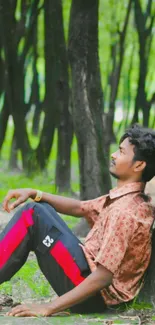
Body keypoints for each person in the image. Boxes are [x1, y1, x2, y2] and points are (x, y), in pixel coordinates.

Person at [1, 124, 155, 317]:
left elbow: (103, 277)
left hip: (94, 295)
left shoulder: (125, 212)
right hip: (88, 281)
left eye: (122, 152)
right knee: (39, 208)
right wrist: (34, 193)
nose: (114, 155)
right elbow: (80, 208)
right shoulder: (127, 199)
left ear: (139, 165)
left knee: (33, 214)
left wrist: (49, 307)